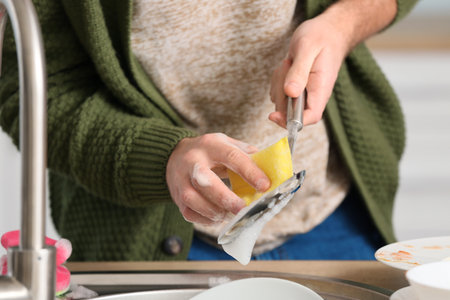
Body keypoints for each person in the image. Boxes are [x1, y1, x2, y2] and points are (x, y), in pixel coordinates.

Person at [0, 0, 417, 261]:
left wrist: (342, 22)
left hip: (338, 218)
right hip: (157, 246)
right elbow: (32, 94)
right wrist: (163, 158)